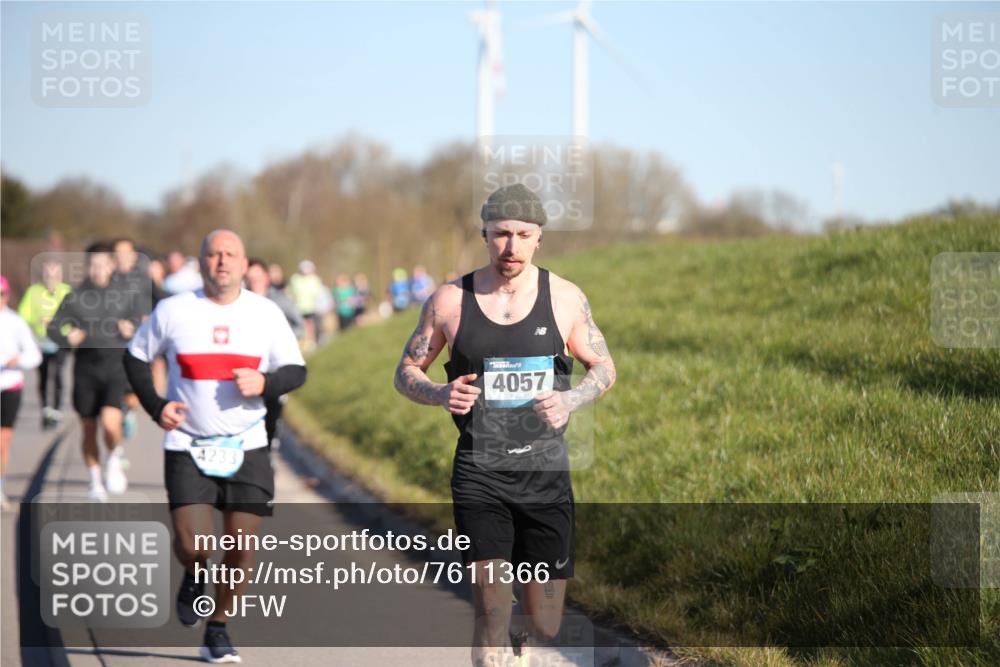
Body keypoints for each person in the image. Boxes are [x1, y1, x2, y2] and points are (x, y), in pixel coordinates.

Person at [393, 183, 616, 666]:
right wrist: (438, 392)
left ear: (539, 237)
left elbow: (605, 368)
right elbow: (405, 371)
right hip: (480, 472)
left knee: (546, 621)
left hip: (545, 476)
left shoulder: (565, 298)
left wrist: (570, 399)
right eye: (500, 234)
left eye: (522, 234)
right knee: (490, 609)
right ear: (484, 235)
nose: (511, 246)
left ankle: (522, 626)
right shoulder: (450, 300)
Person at [124, 230, 306, 663]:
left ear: (244, 264)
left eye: (230, 254)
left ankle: (218, 628)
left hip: (248, 444)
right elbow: (134, 357)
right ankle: (193, 569)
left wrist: (266, 382)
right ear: (200, 261)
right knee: (195, 543)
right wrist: (155, 405)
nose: (221, 261)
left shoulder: (265, 313)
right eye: (213, 254)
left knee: (242, 546)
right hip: (188, 443)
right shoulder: (173, 310)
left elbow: (296, 371)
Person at [48, 243, 143, 501]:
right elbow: (53, 330)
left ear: (112, 265)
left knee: (111, 425)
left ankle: (113, 456)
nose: (98, 269)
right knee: (88, 429)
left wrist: (131, 328)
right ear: (88, 267)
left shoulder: (124, 294)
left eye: (103, 264)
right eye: (93, 265)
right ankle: (95, 481)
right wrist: (70, 337)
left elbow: (140, 321)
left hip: (115, 369)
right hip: (85, 372)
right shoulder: (76, 297)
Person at [245, 257, 306, 448]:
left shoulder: (280, 301)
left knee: (272, 415)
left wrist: (282, 340)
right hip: (247, 369)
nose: (254, 282)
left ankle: (269, 450)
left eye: (257, 277)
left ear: (266, 278)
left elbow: (300, 326)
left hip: (273, 370)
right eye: (250, 278)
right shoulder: (239, 301)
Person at [1, 276, 43, 509]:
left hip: (10, 385)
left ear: (7, 296)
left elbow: (34, 356)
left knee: (3, 441)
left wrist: (18, 361)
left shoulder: (15, 322)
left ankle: (0, 486)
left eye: (1, 294)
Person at [17, 258, 71, 429]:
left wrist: (57, 322)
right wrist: (38, 320)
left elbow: (76, 316)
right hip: (40, 342)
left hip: (61, 340)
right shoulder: (33, 292)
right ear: (43, 276)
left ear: (61, 277)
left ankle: (57, 409)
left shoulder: (67, 292)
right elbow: (22, 316)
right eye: (48, 275)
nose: (51, 279)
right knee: (44, 375)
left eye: (55, 275)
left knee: (58, 373)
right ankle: (45, 409)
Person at [287, 260, 325, 348]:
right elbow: (290, 292)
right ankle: (301, 342)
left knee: (310, 324)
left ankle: (310, 341)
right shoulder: (295, 279)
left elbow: (319, 293)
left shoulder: (315, 280)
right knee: (300, 325)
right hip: (297, 307)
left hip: (311, 307)